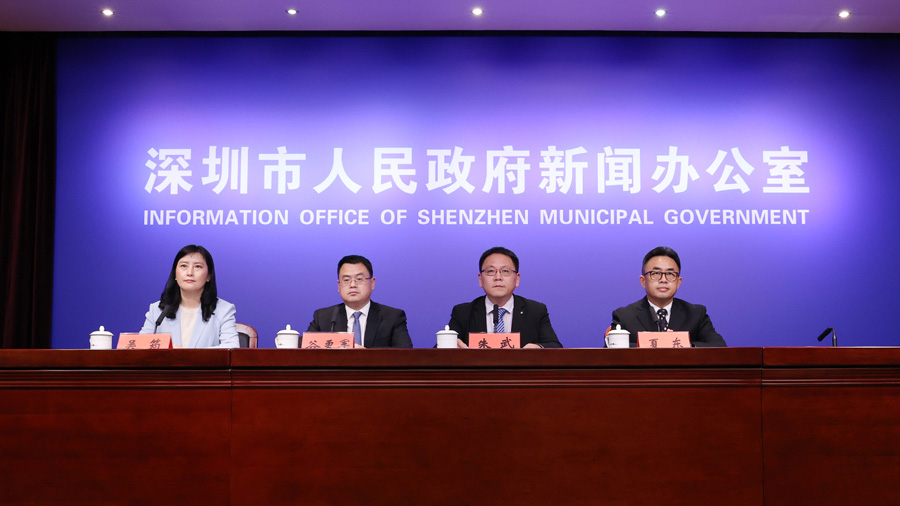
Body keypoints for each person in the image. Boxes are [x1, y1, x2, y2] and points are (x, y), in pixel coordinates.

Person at [446, 246, 562, 348]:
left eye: (505, 271)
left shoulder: (535, 311)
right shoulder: (463, 313)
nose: (498, 277)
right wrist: (450, 346)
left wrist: (538, 347)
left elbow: (554, 347)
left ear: (517, 279)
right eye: (491, 271)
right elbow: (439, 350)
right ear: (480, 279)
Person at [612, 246, 726, 348]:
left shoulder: (695, 314)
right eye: (656, 273)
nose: (663, 280)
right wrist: (658, 343)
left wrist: (684, 345)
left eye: (670, 274)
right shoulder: (625, 316)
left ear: (678, 282)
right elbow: (611, 352)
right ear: (643, 281)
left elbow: (719, 346)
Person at [140, 245, 239, 348]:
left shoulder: (224, 310)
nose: (189, 273)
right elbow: (140, 347)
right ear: (175, 273)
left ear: (209, 275)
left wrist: (187, 355)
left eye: (198, 267)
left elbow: (231, 347)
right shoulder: (158, 310)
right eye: (184, 266)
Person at [306, 255, 413, 348]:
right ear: (339, 285)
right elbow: (306, 348)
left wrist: (365, 356)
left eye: (359, 279)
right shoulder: (323, 317)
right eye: (346, 280)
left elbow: (405, 355)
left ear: (372, 283)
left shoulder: (392, 317)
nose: (353, 285)